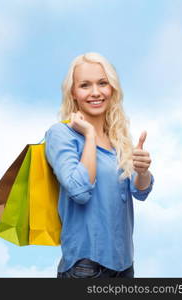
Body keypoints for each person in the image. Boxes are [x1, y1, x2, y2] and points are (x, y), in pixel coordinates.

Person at [45, 52, 154, 278]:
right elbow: (80, 190)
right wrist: (90, 136)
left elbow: (140, 191)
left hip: (124, 265)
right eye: (85, 85)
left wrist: (143, 171)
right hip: (86, 268)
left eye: (102, 83)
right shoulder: (61, 135)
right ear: (73, 93)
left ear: (112, 89)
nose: (95, 92)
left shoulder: (118, 138)